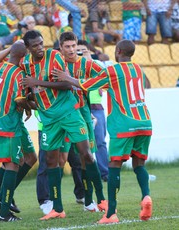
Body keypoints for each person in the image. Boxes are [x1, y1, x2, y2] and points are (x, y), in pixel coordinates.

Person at [56, 39, 153, 224]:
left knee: (114, 165)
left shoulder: (112, 71)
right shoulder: (138, 69)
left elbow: (85, 84)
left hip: (124, 123)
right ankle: (146, 196)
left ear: (117, 51)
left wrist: (65, 77)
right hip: (145, 121)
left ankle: (110, 214)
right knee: (139, 164)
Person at [20, 30, 107, 220]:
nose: (40, 48)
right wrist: (27, 102)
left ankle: (100, 199)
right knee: (52, 160)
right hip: (49, 119)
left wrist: (38, 82)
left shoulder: (54, 56)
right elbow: (30, 90)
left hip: (69, 113)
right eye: (35, 45)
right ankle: (57, 208)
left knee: (85, 153)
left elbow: (67, 85)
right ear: (28, 48)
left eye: (41, 43)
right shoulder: (24, 64)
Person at [0, 41, 31, 222]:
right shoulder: (19, 74)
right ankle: (3, 211)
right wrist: (29, 106)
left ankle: (0, 199)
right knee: (12, 165)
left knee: (26, 158)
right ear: (23, 57)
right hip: (9, 125)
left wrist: (10, 48)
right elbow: (19, 99)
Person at [77, 39, 109, 181]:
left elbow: (105, 78)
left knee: (100, 141)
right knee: (82, 145)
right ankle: (86, 175)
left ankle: (105, 173)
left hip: (96, 107)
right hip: (79, 109)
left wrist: (88, 60)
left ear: (89, 51)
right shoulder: (73, 67)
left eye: (84, 51)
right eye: (79, 52)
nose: (81, 54)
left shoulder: (96, 65)